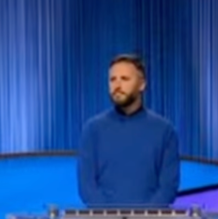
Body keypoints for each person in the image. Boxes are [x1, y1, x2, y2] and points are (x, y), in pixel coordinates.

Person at [77, 54, 180, 208]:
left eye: (124, 79)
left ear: (142, 84)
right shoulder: (92, 130)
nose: (117, 85)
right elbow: (87, 187)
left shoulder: (165, 131)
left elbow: (168, 188)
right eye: (112, 79)